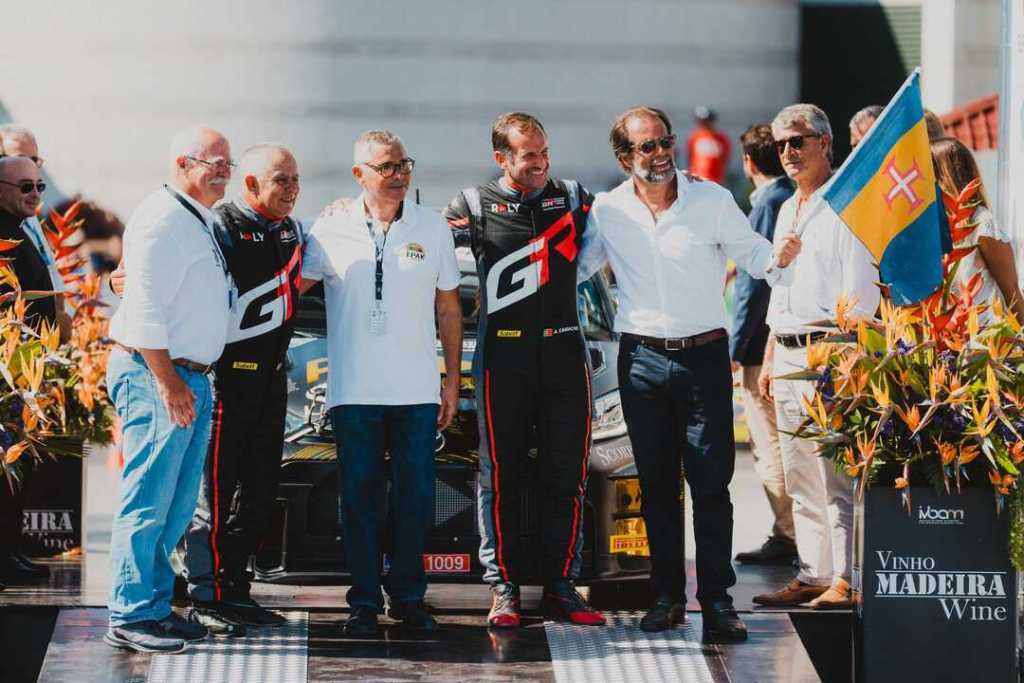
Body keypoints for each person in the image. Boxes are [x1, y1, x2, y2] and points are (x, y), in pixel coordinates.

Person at [578, 106, 802, 640]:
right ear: (625, 158)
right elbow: (577, 268)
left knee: (711, 485)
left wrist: (781, 256)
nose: (660, 154)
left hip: (703, 359)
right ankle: (666, 598)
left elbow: (754, 254)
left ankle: (718, 602)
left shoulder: (711, 200)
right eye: (647, 147)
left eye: (664, 142)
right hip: (641, 361)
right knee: (656, 487)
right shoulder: (608, 210)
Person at [443, 112, 606, 629]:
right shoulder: (472, 204)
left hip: (565, 354)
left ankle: (561, 585)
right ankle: (503, 587)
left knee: (567, 474)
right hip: (503, 359)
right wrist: (348, 211)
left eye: (544, 152)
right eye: (529, 155)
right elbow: (417, 245)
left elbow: (632, 218)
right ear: (502, 158)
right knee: (501, 475)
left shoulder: (574, 198)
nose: (541, 163)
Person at [301, 130, 462, 637]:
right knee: (359, 501)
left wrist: (451, 382)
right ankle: (364, 602)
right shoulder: (329, 227)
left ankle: (409, 598)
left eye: (404, 165)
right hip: (353, 392)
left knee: (415, 500)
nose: (398, 175)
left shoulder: (432, 226)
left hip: (416, 393)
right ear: (359, 174)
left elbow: (448, 307)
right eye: (386, 167)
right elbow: (289, 287)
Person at [103, 126, 234, 653]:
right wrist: (169, 382)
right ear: (183, 163)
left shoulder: (194, 218)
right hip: (157, 375)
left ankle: (155, 607)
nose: (225, 173)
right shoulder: (162, 220)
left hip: (187, 376)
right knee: (148, 501)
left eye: (228, 164)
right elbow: (143, 311)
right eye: (216, 163)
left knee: (175, 507)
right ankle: (131, 613)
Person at [753, 104, 880, 611]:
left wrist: (847, 355)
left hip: (829, 349)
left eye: (797, 141)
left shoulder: (846, 203)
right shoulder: (788, 206)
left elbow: (861, 290)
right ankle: (814, 572)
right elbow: (780, 290)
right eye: (780, 144)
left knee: (837, 477)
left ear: (825, 143)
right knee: (801, 475)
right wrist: (769, 355)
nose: (787, 152)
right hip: (787, 350)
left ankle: (846, 576)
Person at [179, 144, 305, 633]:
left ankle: (235, 588)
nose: (292, 189)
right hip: (226, 382)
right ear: (250, 184)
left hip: (272, 383)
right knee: (212, 494)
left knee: (259, 493)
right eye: (281, 180)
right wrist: (120, 280)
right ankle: (203, 594)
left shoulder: (294, 230)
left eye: (296, 179)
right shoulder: (220, 226)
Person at [730, 125, 797, 566]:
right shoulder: (790, 198)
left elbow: (753, 285)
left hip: (760, 346)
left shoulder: (768, 204)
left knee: (769, 444)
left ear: (749, 162)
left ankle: (788, 534)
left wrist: (735, 346)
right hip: (779, 339)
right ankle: (790, 532)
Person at [0, 156, 64, 587]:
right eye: (25, 186)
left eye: (39, 186)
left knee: (15, 468)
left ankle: (9, 550)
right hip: (10, 368)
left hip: (27, 369)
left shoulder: (20, 229)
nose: (35, 194)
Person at [931, 136, 1024, 323]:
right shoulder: (934, 228)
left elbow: (1012, 291)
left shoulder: (983, 224)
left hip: (983, 336)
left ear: (944, 176)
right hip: (943, 338)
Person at [687, 106, 731, 184]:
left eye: (706, 121)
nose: (704, 124)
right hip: (697, 178)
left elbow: (725, 159)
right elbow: (690, 156)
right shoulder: (695, 136)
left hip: (716, 180)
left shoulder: (722, 139)